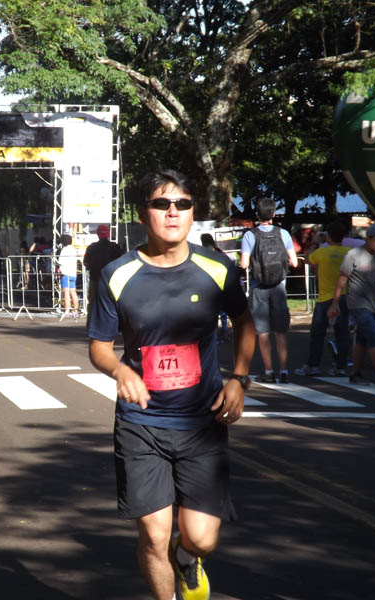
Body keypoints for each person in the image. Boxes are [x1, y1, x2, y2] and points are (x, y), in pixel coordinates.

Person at [88, 169, 256, 600]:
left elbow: (244, 322)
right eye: (161, 204)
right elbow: (100, 348)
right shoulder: (117, 275)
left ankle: (187, 556)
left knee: (202, 539)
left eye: (182, 204)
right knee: (153, 534)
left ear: (192, 211)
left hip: (202, 423)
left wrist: (239, 379)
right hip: (141, 424)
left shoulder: (215, 268)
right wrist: (121, 371)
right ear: (141, 213)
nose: (173, 212)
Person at [327, 223, 375, 387]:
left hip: (373, 303)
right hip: (357, 303)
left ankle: (355, 373)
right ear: (368, 238)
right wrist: (335, 302)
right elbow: (342, 279)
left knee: (362, 339)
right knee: (373, 335)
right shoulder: (353, 255)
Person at [239, 197, 299, 383]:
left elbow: (244, 264)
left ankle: (269, 371)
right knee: (280, 332)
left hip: (259, 288)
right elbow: (294, 262)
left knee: (263, 333)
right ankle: (284, 371)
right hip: (279, 287)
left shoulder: (250, 235)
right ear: (273, 214)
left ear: (257, 214)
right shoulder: (283, 233)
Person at [295, 220, 351, 376]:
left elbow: (307, 259)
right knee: (342, 333)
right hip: (344, 296)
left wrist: (314, 242)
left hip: (325, 298)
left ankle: (313, 365)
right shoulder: (349, 252)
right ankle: (341, 367)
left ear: (328, 236)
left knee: (318, 333)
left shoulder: (322, 252)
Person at [83, 224, 123, 324]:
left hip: (95, 278)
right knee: (110, 303)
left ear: (98, 234)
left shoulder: (91, 247)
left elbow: (85, 262)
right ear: (108, 234)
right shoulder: (115, 247)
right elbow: (121, 262)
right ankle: (109, 325)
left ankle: (90, 325)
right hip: (110, 280)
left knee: (92, 303)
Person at [200, 233, 231, 342]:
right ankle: (225, 333)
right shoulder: (220, 252)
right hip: (222, 285)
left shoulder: (202, 254)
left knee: (213, 314)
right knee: (223, 313)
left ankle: (215, 337)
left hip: (210, 288)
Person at [58, 234, 80, 319]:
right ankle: (76, 311)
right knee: (73, 292)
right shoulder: (74, 250)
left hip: (65, 273)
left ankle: (66, 311)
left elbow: (60, 262)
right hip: (73, 273)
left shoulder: (64, 250)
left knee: (66, 293)